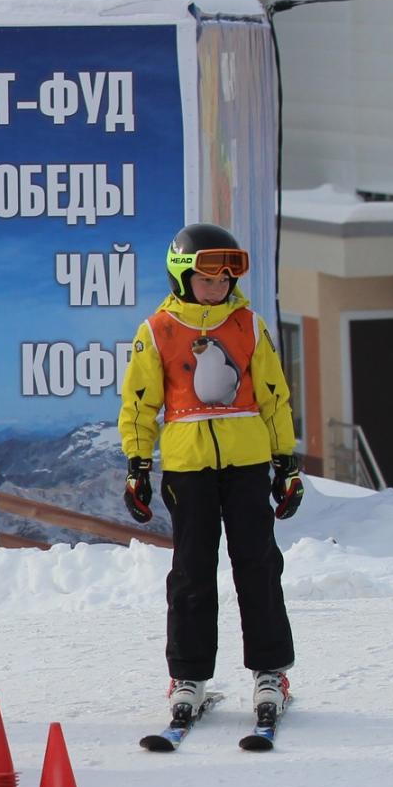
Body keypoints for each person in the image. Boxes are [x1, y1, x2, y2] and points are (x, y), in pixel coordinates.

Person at [120, 223, 299, 724]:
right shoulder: (158, 330)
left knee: (258, 566)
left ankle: (270, 672)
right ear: (182, 277)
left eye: (224, 279)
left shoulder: (249, 326)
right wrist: (138, 466)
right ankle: (189, 676)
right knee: (192, 572)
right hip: (188, 468)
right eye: (206, 278)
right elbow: (139, 404)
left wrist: (285, 463)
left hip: (247, 464)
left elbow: (274, 396)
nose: (218, 287)